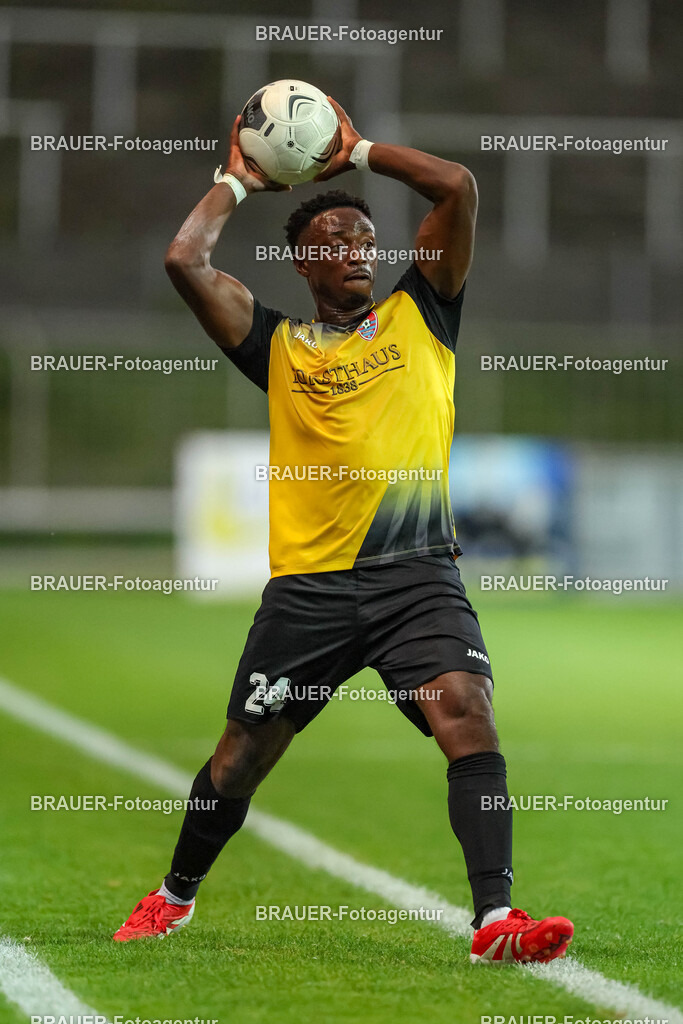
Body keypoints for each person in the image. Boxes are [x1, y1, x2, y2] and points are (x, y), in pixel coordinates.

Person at [114, 96, 573, 964]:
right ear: (301, 263)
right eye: (334, 242)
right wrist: (234, 181)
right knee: (239, 758)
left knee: (467, 717)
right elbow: (184, 258)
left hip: (416, 576)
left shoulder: (422, 312)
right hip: (310, 591)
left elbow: (457, 186)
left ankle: (493, 922)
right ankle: (174, 896)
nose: (356, 251)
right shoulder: (276, 345)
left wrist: (357, 151)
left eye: (365, 241)